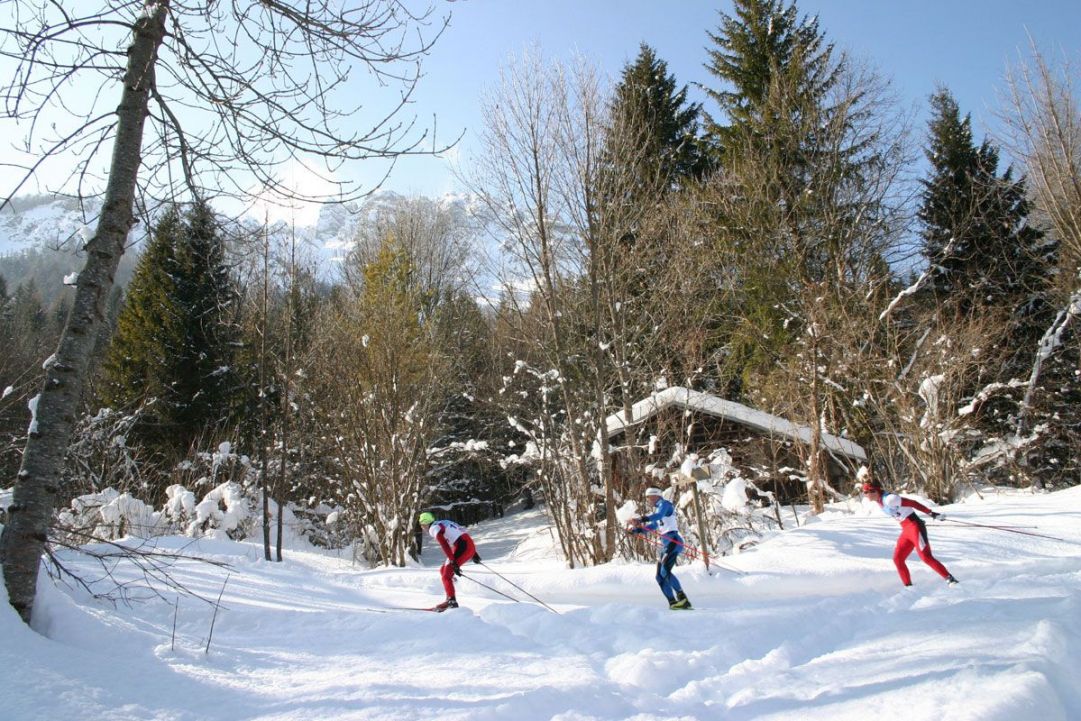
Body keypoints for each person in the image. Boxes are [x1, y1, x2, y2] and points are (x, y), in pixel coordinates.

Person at [858, 467, 958, 588]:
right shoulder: (879, 500)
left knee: (925, 557)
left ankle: (950, 579)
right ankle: (909, 587)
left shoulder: (890, 499)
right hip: (906, 530)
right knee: (898, 559)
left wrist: (931, 513)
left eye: (866, 492)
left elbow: (913, 503)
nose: (865, 495)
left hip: (914, 526)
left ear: (874, 491)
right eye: (864, 492)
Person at [630, 487, 693, 610]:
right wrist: (637, 530)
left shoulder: (665, 504)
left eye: (649, 497)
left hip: (673, 541)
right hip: (666, 544)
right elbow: (653, 525)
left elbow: (658, 516)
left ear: (655, 496)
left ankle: (683, 599)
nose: (648, 500)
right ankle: (673, 602)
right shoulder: (659, 510)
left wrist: (642, 519)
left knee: (665, 571)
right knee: (659, 576)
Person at [418, 511, 481, 610]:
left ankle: (452, 601)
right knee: (443, 570)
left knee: (446, 575)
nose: (422, 528)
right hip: (467, 545)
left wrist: (453, 561)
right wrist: (474, 552)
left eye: (421, 525)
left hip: (463, 547)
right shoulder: (443, 522)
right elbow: (461, 532)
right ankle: (450, 594)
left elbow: (445, 545)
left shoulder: (434, 528)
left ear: (425, 523)